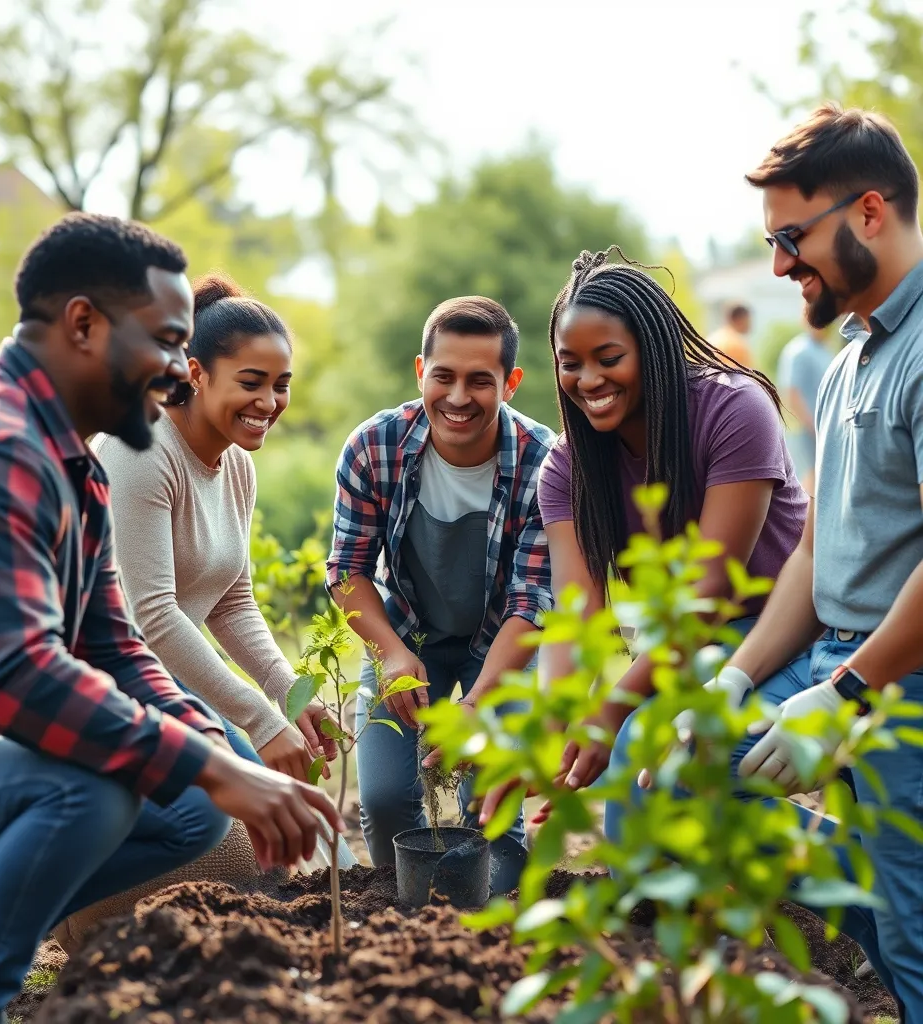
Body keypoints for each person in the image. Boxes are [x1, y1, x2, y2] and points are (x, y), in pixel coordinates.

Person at [0, 213, 343, 1024]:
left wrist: (215, 754)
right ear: (82, 324)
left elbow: (114, 640)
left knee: (191, 803)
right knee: (91, 783)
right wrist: (220, 761)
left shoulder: (69, 455)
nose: (182, 372)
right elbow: (15, 678)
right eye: (171, 342)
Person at [714, 103, 923, 1018]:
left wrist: (845, 696)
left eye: (792, 237)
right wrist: (741, 672)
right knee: (684, 756)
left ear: (868, 212)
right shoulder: (847, 360)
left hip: (897, 681)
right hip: (828, 661)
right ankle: (879, 900)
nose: (778, 265)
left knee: (916, 941)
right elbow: (814, 545)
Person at [481, 248, 807, 833]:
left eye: (609, 358)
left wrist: (610, 713)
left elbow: (705, 599)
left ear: (652, 351)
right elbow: (576, 620)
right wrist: (554, 731)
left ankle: (877, 895)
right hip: (682, 648)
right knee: (638, 817)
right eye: (570, 363)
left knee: (652, 762)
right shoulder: (569, 465)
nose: (589, 380)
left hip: (787, 634)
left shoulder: (733, 411)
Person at [326, 296, 555, 874]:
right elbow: (347, 570)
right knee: (382, 800)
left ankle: (498, 921)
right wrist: (392, 653)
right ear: (420, 371)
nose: (457, 398)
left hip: (498, 642)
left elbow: (530, 604)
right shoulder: (372, 448)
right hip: (405, 637)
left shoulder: (544, 463)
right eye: (444, 376)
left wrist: (476, 708)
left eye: (480, 380)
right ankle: (410, 921)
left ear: (511, 383)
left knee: (492, 797)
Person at [92, 272, 337, 780]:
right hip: (105, 688)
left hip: (168, 686)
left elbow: (232, 600)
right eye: (250, 383)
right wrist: (260, 720)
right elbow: (152, 615)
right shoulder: (138, 451)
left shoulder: (237, 464)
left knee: (300, 831)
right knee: (261, 825)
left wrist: (289, 695)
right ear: (196, 373)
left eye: (280, 385)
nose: (269, 403)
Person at [775, 313, 834, 491]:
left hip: (824, 429)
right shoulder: (798, 351)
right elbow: (791, 393)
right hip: (806, 430)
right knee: (809, 481)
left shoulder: (824, 350)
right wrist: (813, 426)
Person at [708, 301, 756, 368]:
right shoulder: (737, 343)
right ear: (740, 319)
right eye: (748, 320)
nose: (750, 325)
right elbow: (746, 375)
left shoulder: (713, 338)